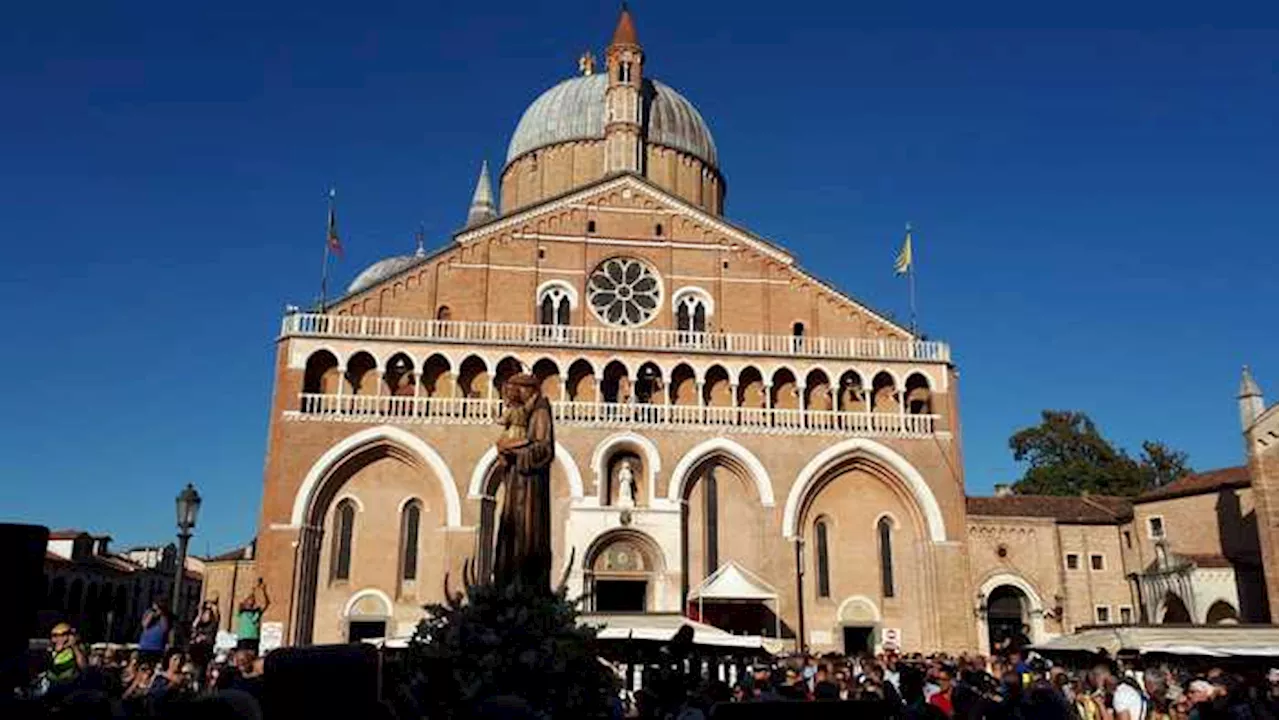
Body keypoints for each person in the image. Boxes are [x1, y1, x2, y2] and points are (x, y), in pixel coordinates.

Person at [43, 622, 87, 692]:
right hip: (52, 686)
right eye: (55, 636)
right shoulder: (50, 650)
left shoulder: (78, 649)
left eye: (62, 635)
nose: (58, 639)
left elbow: (83, 667)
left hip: (71, 687)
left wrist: (74, 646)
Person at [189, 598, 220, 687]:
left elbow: (217, 617)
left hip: (205, 651)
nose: (205, 616)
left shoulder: (212, 626)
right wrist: (200, 611)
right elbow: (194, 626)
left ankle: (200, 684)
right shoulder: (199, 625)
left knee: (202, 670)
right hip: (196, 652)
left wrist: (213, 606)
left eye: (208, 614)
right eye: (205, 614)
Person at [236, 578, 269, 652]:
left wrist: (263, 591)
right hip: (243, 639)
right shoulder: (241, 612)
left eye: (253, 600)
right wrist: (253, 590)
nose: (251, 601)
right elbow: (241, 600)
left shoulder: (256, 612)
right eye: (249, 600)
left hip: (254, 639)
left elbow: (266, 604)